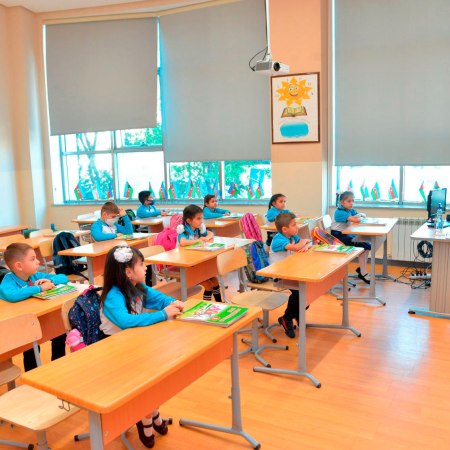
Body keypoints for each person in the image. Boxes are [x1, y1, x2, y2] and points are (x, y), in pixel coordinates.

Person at [99, 244, 184, 448]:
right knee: (145, 382)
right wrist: (163, 314)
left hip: (134, 343)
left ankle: (152, 413)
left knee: (155, 378)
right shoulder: (113, 295)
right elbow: (125, 321)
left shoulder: (137, 287)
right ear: (129, 272)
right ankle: (146, 417)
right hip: (114, 351)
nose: (146, 268)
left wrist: (175, 303)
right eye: (142, 264)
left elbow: (159, 299)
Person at [0, 242, 68, 371]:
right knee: (31, 347)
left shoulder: (35, 275)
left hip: (39, 315)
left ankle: (58, 367)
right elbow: (11, 295)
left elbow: (63, 277)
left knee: (59, 332)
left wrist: (50, 281)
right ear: (19, 266)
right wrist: (39, 288)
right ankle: (33, 372)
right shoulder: (8, 280)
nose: (38, 262)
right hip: (20, 324)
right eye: (32, 259)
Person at [269, 213, 311, 338]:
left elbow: (308, 242)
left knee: (308, 291)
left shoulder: (293, 236)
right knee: (299, 293)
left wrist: (305, 244)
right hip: (278, 274)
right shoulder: (278, 240)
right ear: (284, 229)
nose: (297, 227)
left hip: (290, 271)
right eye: (294, 225)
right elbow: (297, 247)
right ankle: (286, 318)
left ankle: (295, 314)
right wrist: (303, 242)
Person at [177, 204, 222, 302]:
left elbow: (211, 233)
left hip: (197, 262)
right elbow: (183, 242)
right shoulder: (183, 231)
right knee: (208, 285)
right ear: (189, 221)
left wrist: (206, 238)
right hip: (187, 266)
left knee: (215, 281)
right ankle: (206, 305)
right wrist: (198, 241)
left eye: (201, 218)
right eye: (198, 218)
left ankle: (220, 303)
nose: (201, 221)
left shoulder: (198, 229)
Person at [330, 191, 371, 284]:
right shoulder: (339, 212)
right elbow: (356, 219)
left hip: (346, 234)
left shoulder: (349, 210)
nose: (352, 203)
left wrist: (360, 216)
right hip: (338, 237)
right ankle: (363, 272)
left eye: (353, 201)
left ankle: (362, 269)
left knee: (367, 244)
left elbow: (359, 215)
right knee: (365, 247)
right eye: (349, 201)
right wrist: (360, 217)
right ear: (342, 202)